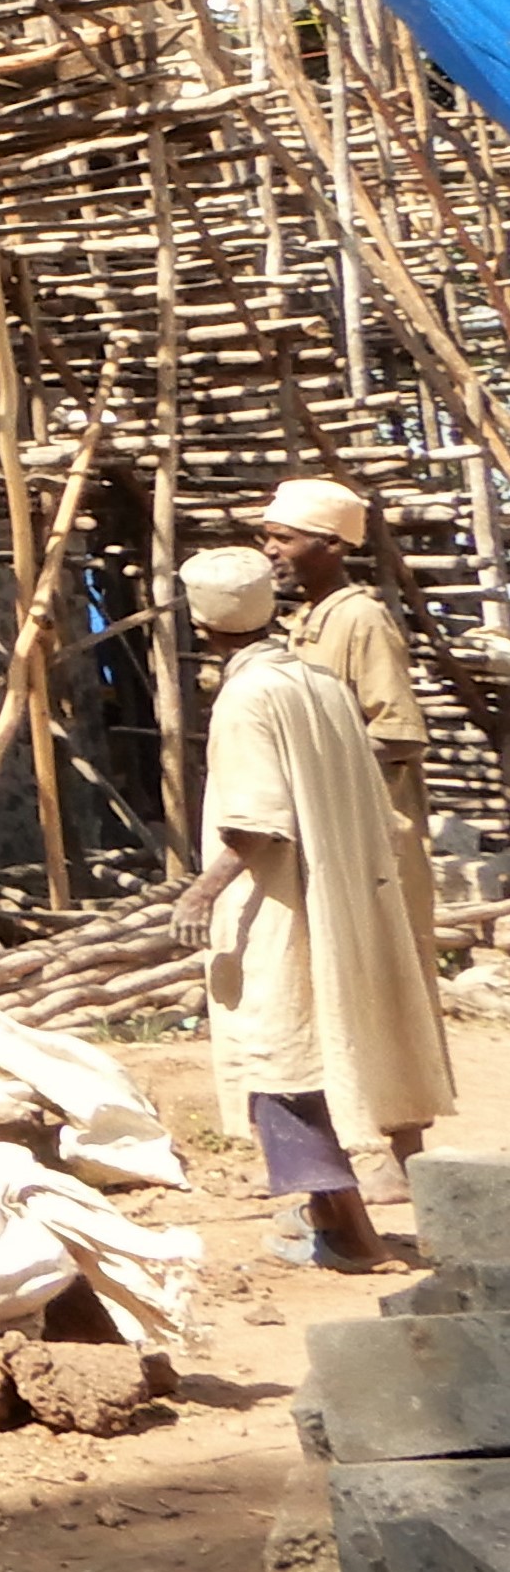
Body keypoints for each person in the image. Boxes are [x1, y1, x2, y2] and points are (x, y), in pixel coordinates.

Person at [175, 541, 451, 1268]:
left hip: (280, 902)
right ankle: (335, 1221)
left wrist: (202, 889)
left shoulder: (246, 696)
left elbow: (256, 822)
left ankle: (348, 1234)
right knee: (310, 1052)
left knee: (279, 1054)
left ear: (202, 624)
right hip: (339, 894)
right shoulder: (319, 681)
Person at [263, 475, 440, 974]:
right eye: (267, 537)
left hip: (373, 842)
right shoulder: (304, 621)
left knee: (381, 979)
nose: (271, 551)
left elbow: (400, 736)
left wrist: (311, 760)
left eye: (286, 539)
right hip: (331, 837)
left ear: (333, 545)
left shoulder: (360, 619)